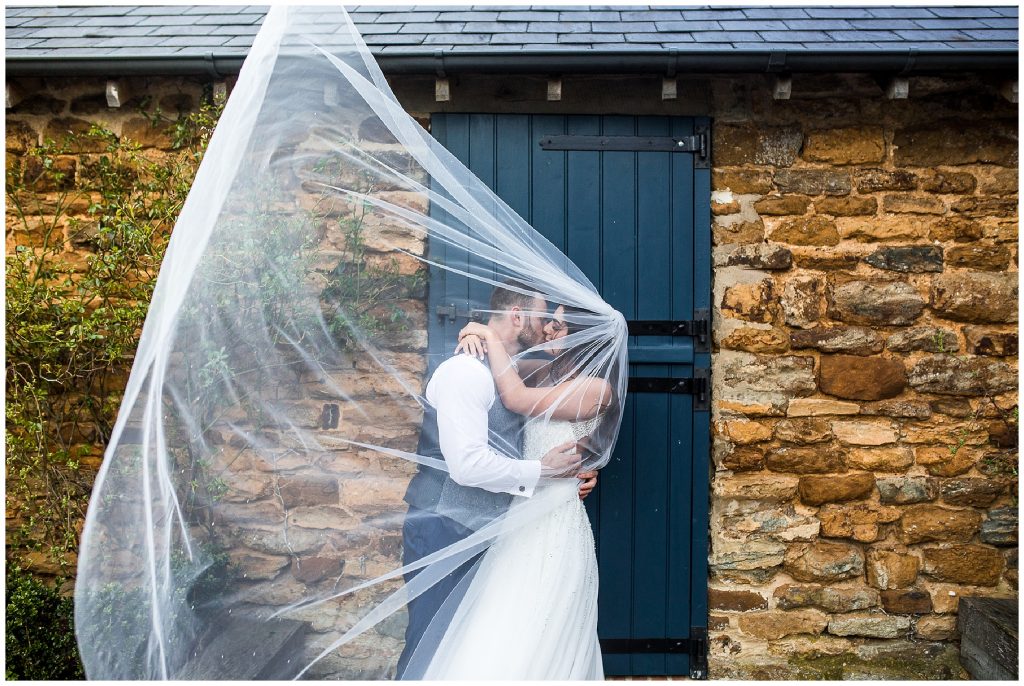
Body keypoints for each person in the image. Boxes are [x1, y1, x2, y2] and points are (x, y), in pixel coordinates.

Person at [396, 282, 598, 677]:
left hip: (494, 533)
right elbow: (468, 465)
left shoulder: (515, 374)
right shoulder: (464, 373)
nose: (547, 330)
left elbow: (553, 428)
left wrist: (581, 468)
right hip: (443, 527)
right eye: (543, 320)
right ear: (519, 316)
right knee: (429, 644)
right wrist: (543, 472)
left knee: (469, 652)